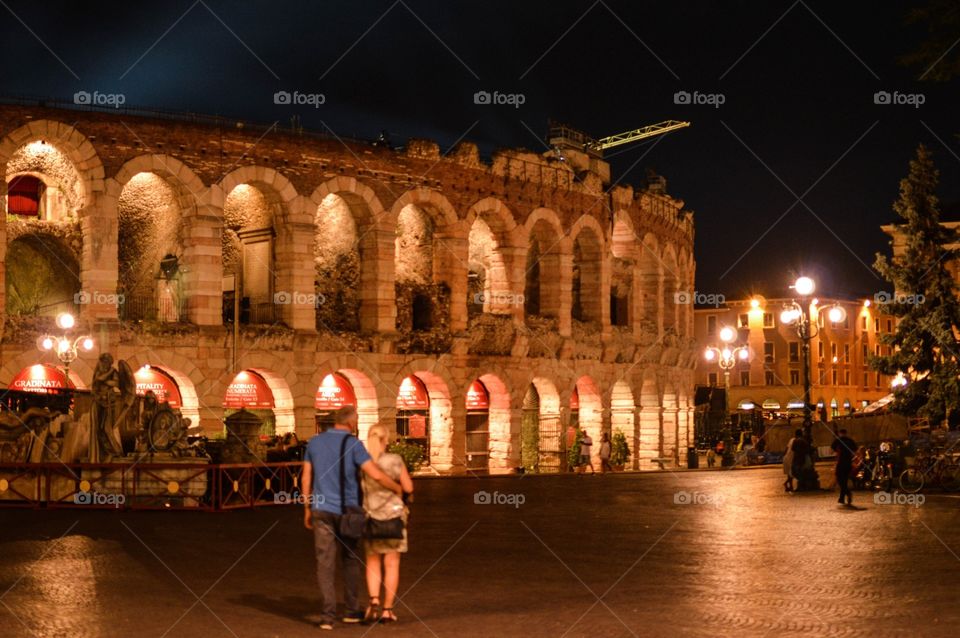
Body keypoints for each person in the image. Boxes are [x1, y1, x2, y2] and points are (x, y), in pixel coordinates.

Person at [302, 405, 403, 630]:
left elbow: (307, 477)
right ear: (351, 423)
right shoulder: (354, 445)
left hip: (321, 509)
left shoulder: (314, 443)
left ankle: (327, 616)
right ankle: (351, 610)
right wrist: (396, 487)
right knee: (350, 559)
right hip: (348, 511)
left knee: (324, 563)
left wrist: (307, 507)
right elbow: (374, 473)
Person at [362, 424, 414, 624]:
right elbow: (408, 487)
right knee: (392, 564)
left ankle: (373, 600)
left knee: (372, 562)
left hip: (370, 517)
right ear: (387, 440)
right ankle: (387, 609)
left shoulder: (363, 463)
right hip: (393, 517)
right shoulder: (395, 460)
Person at [831, 428, 857, 506]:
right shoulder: (850, 441)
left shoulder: (838, 440)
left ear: (840, 433)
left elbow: (833, 448)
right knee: (844, 480)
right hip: (848, 463)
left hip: (841, 462)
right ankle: (841, 498)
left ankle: (847, 493)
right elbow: (855, 450)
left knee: (840, 479)